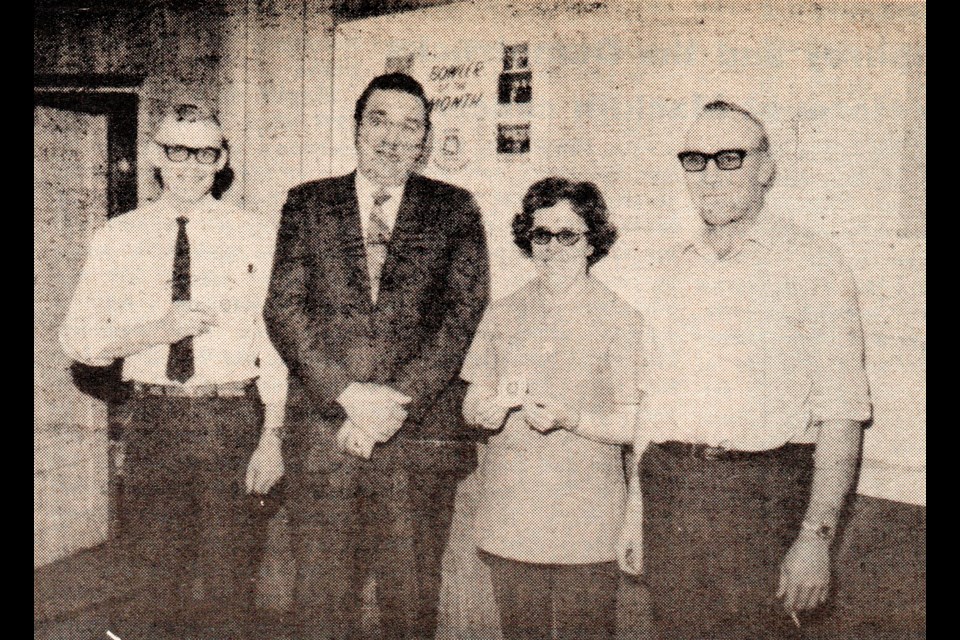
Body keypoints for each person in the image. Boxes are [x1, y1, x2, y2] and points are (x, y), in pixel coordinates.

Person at [617, 100, 872, 640]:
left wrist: (816, 538)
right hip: (672, 493)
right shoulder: (670, 267)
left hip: (765, 499)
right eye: (694, 159)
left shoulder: (814, 264)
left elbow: (843, 414)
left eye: (729, 158)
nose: (709, 176)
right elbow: (652, 400)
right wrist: (636, 511)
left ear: (767, 167)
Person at [263, 72, 490, 640]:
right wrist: (347, 396)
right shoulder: (307, 202)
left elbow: (461, 317)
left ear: (425, 140)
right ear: (358, 129)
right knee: (319, 604)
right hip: (323, 436)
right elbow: (283, 310)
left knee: (409, 605)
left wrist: (392, 408)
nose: (393, 137)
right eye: (379, 121)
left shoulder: (455, 208)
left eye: (410, 125)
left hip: (415, 440)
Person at [59, 101, 288, 640]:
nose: (190, 165)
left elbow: (274, 345)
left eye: (204, 152)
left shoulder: (255, 233)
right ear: (154, 156)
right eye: (176, 151)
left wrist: (272, 437)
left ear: (222, 159)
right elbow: (79, 341)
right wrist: (154, 331)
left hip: (232, 418)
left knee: (229, 583)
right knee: (149, 583)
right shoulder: (117, 236)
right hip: (153, 420)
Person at [460, 177, 645, 640]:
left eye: (568, 235)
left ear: (591, 242)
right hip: (511, 515)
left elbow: (636, 425)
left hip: (587, 523)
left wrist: (572, 419)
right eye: (541, 234)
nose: (553, 247)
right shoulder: (501, 313)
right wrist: (486, 411)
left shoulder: (620, 318)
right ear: (528, 238)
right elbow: (471, 402)